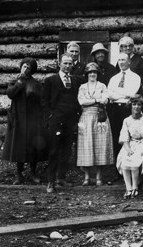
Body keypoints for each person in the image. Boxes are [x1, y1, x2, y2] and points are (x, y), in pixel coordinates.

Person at [41, 54, 83, 193]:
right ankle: (50, 181)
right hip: (56, 120)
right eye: (65, 63)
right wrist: (51, 116)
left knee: (66, 149)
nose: (67, 66)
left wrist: (76, 116)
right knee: (54, 150)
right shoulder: (50, 80)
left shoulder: (75, 81)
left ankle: (61, 177)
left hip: (70, 120)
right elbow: (44, 101)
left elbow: (78, 99)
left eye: (70, 64)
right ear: (60, 64)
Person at [2, 58, 47, 185]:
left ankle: (33, 173)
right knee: (18, 146)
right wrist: (20, 82)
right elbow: (10, 94)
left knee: (33, 146)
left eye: (29, 67)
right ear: (21, 67)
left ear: (32, 70)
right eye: (24, 66)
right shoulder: (14, 81)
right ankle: (19, 175)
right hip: (18, 119)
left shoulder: (36, 84)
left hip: (33, 120)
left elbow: (41, 100)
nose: (26, 69)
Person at [76, 62, 114, 186]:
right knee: (86, 147)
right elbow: (81, 101)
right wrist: (97, 100)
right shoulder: (82, 87)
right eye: (90, 72)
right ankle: (86, 177)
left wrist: (94, 101)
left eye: (95, 72)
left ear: (98, 74)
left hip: (100, 117)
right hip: (85, 118)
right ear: (86, 74)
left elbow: (105, 100)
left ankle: (98, 176)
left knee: (100, 146)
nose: (92, 74)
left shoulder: (102, 86)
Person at [116, 95, 143, 199]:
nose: (136, 107)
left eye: (139, 104)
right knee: (125, 159)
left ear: (142, 106)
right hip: (131, 144)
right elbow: (124, 137)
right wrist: (128, 149)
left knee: (136, 161)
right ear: (131, 106)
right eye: (134, 104)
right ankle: (128, 188)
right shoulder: (127, 120)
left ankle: (135, 187)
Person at [107, 53, 141, 157]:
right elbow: (109, 94)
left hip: (128, 108)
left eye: (123, 60)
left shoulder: (135, 77)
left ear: (129, 62)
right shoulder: (114, 78)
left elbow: (133, 93)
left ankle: (130, 159)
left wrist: (117, 93)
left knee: (129, 134)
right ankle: (118, 165)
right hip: (115, 109)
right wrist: (125, 94)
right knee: (117, 135)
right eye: (119, 60)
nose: (121, 62)